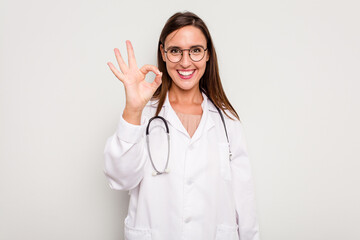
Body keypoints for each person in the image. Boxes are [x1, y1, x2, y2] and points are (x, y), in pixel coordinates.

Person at [104, 11, 260, 240]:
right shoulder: (143, 115)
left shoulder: (227, 122)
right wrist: (133, 109)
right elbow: (119, 178)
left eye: (196, 50)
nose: (185, 62)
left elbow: (244, 203)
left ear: (207, 55)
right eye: (175, 51)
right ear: (163, 54)